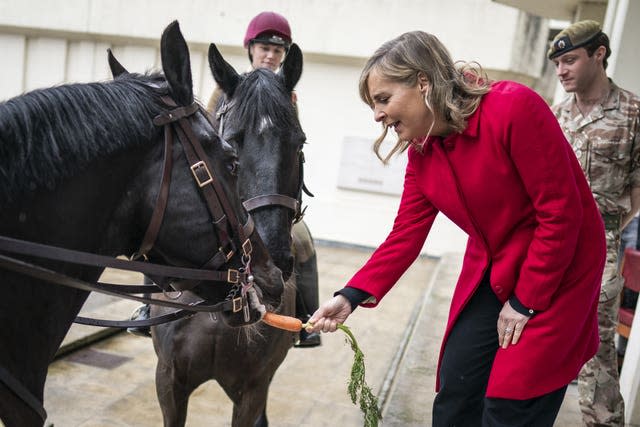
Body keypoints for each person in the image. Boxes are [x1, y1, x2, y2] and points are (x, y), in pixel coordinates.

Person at [305, 30, 605, 426]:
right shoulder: (422, 151)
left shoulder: (514, 108)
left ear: (423, 83)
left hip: (559, 267)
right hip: (495, 265)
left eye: (383, 99)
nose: (377, 115)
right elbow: (405, 235)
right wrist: (350, 296)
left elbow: (562, 214)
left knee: (510, 402)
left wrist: (525, 301)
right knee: (456, 388)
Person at [129, 12, 321, 347]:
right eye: (264, 47)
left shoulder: (287, 97)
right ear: (251, 49)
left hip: (271, 193)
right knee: (163, 230)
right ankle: (147, 308)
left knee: (303, 240)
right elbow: (207, 136)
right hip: (230, 188)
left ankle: (304, 320)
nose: (271, 55)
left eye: (278, 50)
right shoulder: (226, 89)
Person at [548, 19, 640, 426]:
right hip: (550, 241)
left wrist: (607, 229)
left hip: (601, 241)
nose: (562, 71)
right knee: (539, 335)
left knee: (598, 344)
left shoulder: (634, 113)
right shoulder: (554, 115)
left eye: (570, 60)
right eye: (557, 64)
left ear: (599, 53)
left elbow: (638, 189)